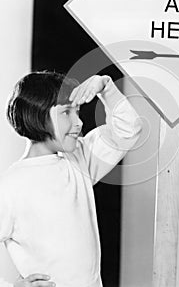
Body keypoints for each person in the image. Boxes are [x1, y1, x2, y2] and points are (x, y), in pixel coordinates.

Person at [0, 71, 142, 287]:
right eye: (66, 112)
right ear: (37, 114)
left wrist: (106, 88)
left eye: (78, 112)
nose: (79, 122)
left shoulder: (79, 160)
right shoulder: (12, 185)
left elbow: (128, 129)